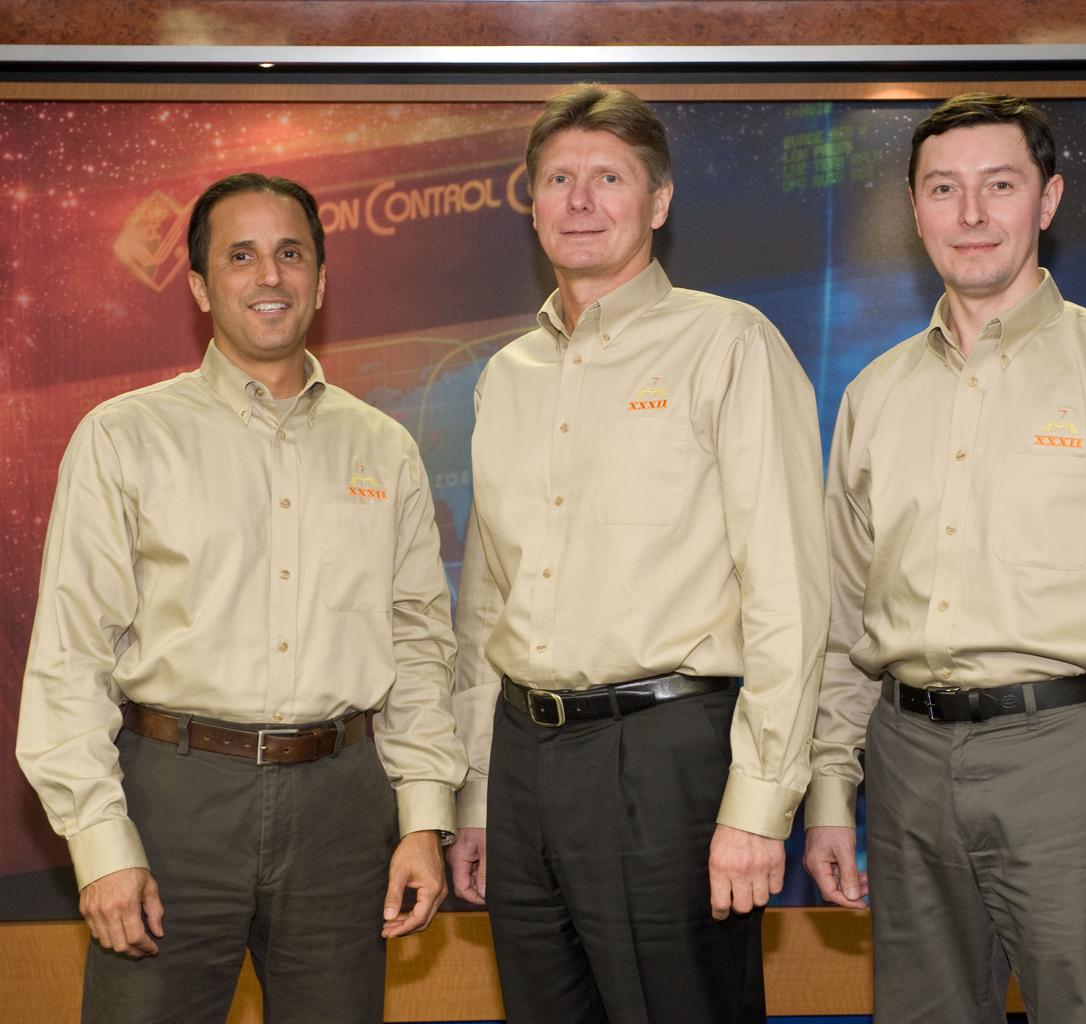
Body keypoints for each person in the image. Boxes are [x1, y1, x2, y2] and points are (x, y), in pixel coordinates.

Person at [803, 92, 1086, 1023]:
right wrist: (827, 787)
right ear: (915, 208)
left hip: (1072, 764)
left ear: (1047, 201)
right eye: (944, 188)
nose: (971, 214)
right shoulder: (874, 395)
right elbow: (844, 623)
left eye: (1000, 185)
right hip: (904, 763)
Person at [17, 172, 467, 1023]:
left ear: (323, 279)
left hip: (343, 809)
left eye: (291, 253)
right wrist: (102, 846)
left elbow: (419, 646)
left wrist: (423, 818)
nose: (270, 276)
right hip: (172, 804)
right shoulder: (124, 438)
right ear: (198, 286)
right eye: (241, 256)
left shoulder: (387, 448)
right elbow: (71, 657)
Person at [446, 84, 828, 1024]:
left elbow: (790, 590)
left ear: (657, 203)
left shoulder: (728, 344)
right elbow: (488, 602)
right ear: (529, 203)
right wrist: (478, 796)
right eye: (558, 179)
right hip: (525, 759)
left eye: (608, 178)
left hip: (667, 758)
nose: (580, 200)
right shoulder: (507, 376)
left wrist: (757, 805)